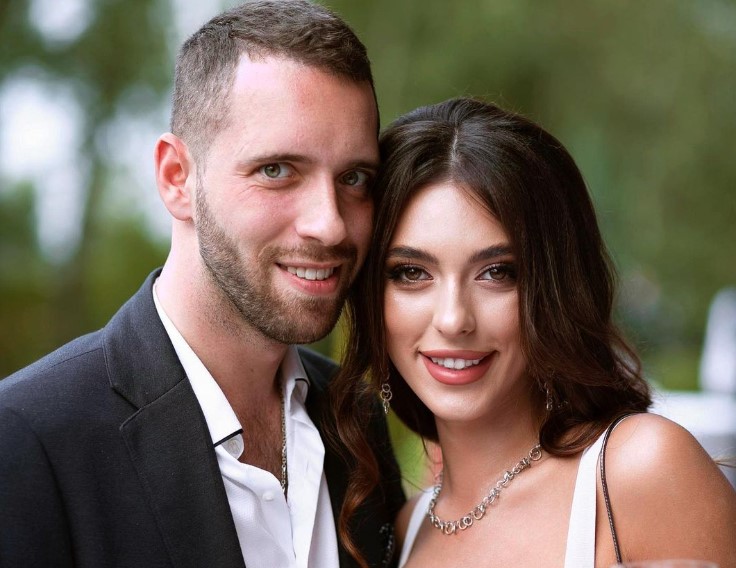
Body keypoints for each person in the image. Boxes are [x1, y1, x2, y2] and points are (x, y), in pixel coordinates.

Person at [0, 2, 404, 567]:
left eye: (354, 178)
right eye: (276, 170)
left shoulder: (355, 417)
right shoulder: (27, 440)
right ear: (177, 178)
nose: (331, 223)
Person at [331, 97, 736, 567]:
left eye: (497, 272)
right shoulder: (406, 530)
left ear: (554, 289)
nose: (453, 319)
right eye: (411, 272)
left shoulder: (640, 470)